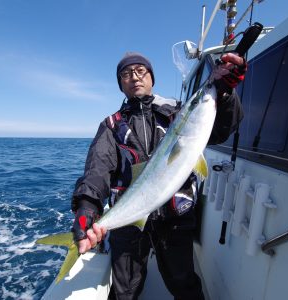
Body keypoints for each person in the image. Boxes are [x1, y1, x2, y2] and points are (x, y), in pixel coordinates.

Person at [71, 51, 246, 300]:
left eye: (140, 71)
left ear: (152, 77)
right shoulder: (111, 125)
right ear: (121, 85)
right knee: (125, 292)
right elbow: (97, 170)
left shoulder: (177, 112)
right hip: (129, 222)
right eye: (126, 74)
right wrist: (87, 207)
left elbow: (220, 129)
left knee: (184, 283)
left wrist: (225, 94)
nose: (134, 77)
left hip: (174, 219)